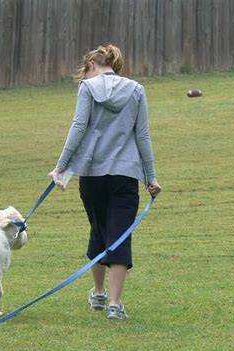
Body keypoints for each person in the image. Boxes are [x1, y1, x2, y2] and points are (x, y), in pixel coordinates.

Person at [49, 44, 161, 320]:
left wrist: (61, 167)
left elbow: (78, 126)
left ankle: (98, 292)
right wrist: (151, 177)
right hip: (125, 174)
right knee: (120, 234)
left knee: (99, 230)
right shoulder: (136, 90)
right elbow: (143, 135)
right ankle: (114, 302)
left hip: (92, 174)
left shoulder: (87, 89)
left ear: (91, 65)